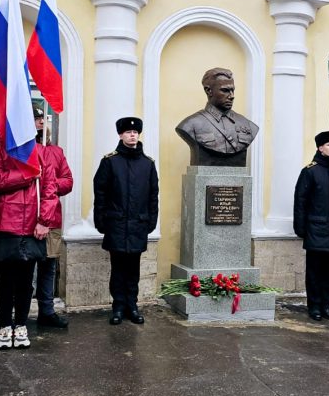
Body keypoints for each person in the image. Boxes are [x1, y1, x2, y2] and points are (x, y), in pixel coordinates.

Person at [0, 134, 59, 350]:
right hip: (3, 225)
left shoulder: (41, 153)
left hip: (32, 227)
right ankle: (5, 324)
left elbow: (49, 190)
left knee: (26, 282)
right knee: (5, 281)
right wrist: (27, 174)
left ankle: (21, 325)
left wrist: (45, 220)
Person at [93, 117, 159, 325]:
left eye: (135, 132)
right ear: (120, 135)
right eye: (128, 132)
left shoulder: (147, 164)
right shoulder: (110, 162)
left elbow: (153, 196)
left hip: (138, 224)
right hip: (117, 224)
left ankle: (132, 305)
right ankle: (118, 306)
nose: (133, 135)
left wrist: (151, 221)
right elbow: (100, 193)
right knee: (118, 267)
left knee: (133, 269)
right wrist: (101, 221)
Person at [294, 131, 329, 321]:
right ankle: (314, 306)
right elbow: (300, 201)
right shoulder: (310, 171)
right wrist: (301, 228)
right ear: (320, 148)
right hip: (316, 229)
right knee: (315, 272)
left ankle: (326, 304)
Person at [32, 106, 74, 329]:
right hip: (25, 218)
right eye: (35, 119)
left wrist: (49, 183)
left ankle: (46, 311)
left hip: (51, 218)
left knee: (48, 267)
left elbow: (67, 181)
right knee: (23, 268)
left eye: (41, 118)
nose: (39, 122)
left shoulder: (55, 151)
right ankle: (13, 314)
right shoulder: (20, 150)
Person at [175, 67, 259, 166]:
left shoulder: (248, 125)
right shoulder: (189, 125)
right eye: (225, 90)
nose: (232, 96)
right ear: (208, 91)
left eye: (232, 90)